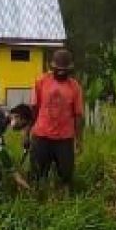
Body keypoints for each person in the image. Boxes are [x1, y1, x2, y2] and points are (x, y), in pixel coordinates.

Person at [29, 48, 83, 188]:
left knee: (66, 175)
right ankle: (38, 200)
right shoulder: (41, 81)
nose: (61, 72)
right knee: (37, 174)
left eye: (64, 70)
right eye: (58, 69)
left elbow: (78, 115)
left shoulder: (74, 87)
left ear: (70, 69)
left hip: (64, 139)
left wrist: (79, 140)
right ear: (52, 67)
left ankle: (64, 203)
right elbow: (34, 108)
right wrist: (28, 132)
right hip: (41, 136)